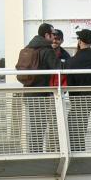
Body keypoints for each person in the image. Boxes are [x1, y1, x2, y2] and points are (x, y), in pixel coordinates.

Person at [23, 23, 58, 153]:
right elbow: (58, 68)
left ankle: (34, 153)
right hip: (41, 94)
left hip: (28, 93)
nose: (55, 37)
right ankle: (36, 155)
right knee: (40, 126)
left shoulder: (29, 47)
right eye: (53, 34)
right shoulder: (47, 50)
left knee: (34, 126)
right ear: (46, 35)